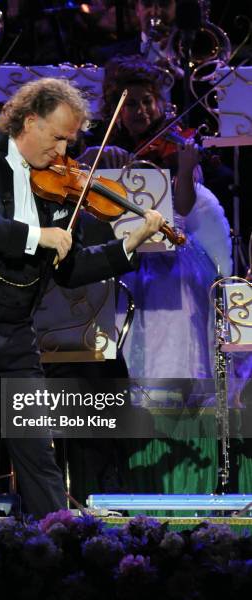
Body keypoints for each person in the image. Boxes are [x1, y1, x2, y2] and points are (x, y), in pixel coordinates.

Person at [0, 77, 165, 532]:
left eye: (70, 141)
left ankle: (57, 551)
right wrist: (33, 235)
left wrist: (129, 243)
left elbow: (69, 267)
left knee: (38, 449)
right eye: (58, 137)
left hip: (17, 326)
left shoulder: (59, 185)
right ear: (29, 121)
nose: (64, 152)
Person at [79, 57, 232, 379]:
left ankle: (168, 386)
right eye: (131, 104)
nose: (141, 111)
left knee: (167, 293)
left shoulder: (173, 146)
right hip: (118, 245)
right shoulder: (108, 143)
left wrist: (187, 168)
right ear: (116, 107)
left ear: (161, 102)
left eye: (148, 101)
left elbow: (185, 208)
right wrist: (92, 158)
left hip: (167, 249)